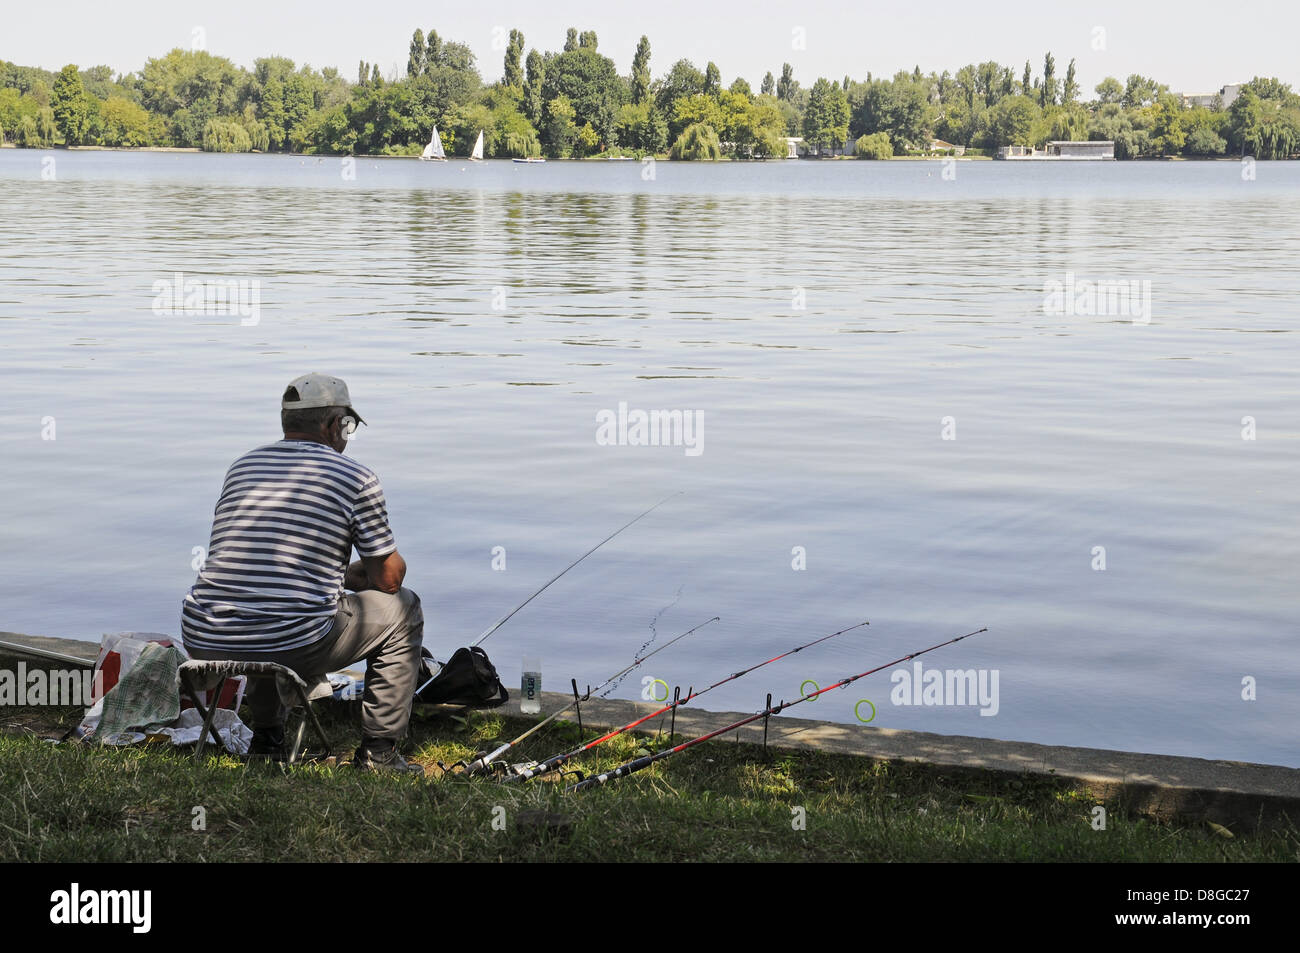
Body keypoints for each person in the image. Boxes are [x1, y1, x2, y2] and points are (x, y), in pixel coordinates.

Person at [181, 373, 424, 773]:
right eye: (348, 426)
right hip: (293, 638)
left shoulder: (242, 467)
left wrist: (330, 573)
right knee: (404, 609)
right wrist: (356, 574)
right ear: (334, 425)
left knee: (268, 604)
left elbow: (263, 565)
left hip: (206, 634)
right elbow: (390, 580)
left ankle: (267, 741)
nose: (347, 436)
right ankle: (379, 754)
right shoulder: (355, 477)